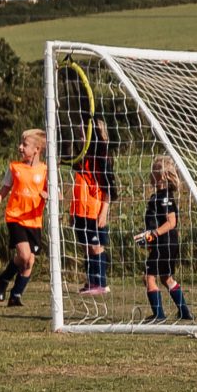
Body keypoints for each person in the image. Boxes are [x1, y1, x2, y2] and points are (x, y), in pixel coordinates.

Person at [0, 129, 49, 307]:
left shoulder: (46, 170)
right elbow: (6, 187)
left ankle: (15, 295)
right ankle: (4, 279)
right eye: (20, 144)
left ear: (37, 149)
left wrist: (49, 195)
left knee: (29, 260)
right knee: (24, 254)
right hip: (15, 217)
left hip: (34, 220)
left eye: (25, 145)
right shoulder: (15, 167)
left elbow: (56, 194)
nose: (20, 147)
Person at [134, 156, 194, 323]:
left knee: (149, 277)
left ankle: (159, 315)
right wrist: (147, 236)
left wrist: (154, 234)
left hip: (165, 242)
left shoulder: (165, 197)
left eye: (153, 171)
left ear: (161, 176)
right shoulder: (157, 196)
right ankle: (184, 312)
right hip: (165, 242)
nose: (150, 175)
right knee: (166, 277)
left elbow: (171, 222)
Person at [68, 125, 117, 296]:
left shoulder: (102, 159)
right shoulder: (80, 160)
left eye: (84, 134)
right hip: (80, 211)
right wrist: (72, 212)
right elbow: (78, 187)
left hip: (95, 212)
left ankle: (101, 283)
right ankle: (91, 281)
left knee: (97, 247)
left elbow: (109, 189)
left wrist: (104, 212)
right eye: (80, 134)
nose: (81, 138)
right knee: (87, 248)